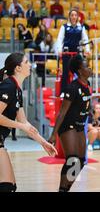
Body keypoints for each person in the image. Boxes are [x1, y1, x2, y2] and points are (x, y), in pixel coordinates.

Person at [0, 52, 57, 192]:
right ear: (18, 68)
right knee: (7, 186)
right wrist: (19, 126)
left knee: (10, 186)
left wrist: (43, 142)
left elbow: (25, 123)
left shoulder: (17, 90)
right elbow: (21, 124)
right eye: (26, 62)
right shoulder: (8, 86)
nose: (30, 65)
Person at [48, 54, 92, 192]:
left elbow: (85, 103)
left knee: (80, 161)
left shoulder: (87, 85)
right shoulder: (72, 88)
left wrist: (91, 115)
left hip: (79, 125)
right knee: (72, 159)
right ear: (79, 71)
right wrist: (54, 135)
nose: (90, 68)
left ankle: (66, 188)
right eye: (86, 66)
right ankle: (62, 189)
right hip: (68, 126)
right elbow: (62, 112)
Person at [54, 9, 90, 90]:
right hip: (66, 53)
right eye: (72, 15)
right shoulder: (64, 27)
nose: (74, 17)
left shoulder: (81, 27)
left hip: (77, 53)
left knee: (78, 73)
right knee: (65, 73)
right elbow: (59, 39)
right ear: (69, 17)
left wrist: (87, 50)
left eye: (75, 15)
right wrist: (59, 50)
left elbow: (85, 39)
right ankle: (63, 91)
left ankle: (78, 90)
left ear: (77, 17)